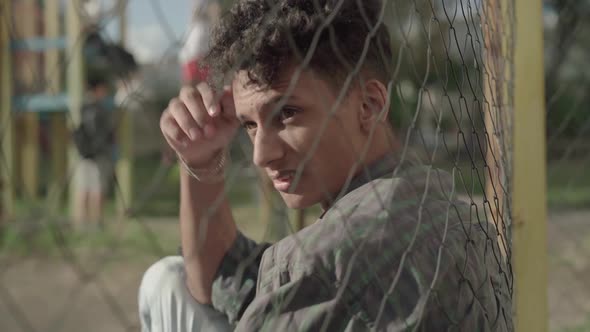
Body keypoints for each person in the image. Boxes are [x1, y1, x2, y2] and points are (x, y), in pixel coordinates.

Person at [139, 1, 513, 331]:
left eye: (287, 113)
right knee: (169, 279)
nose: (260, 155)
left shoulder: (321, 263)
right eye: (249, 125)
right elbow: (218, 279)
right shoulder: (455, 211)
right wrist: (203, 159)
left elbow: (310, 273)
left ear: (369, 105)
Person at [72, 77, 114, 229]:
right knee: (98, 189)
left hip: (84, 154)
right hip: (99, 154)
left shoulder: (83, 107)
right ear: (99, 89)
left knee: (82, 189)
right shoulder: (101, 109)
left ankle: (81, 222)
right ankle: (97, 222)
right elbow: (107, 133)